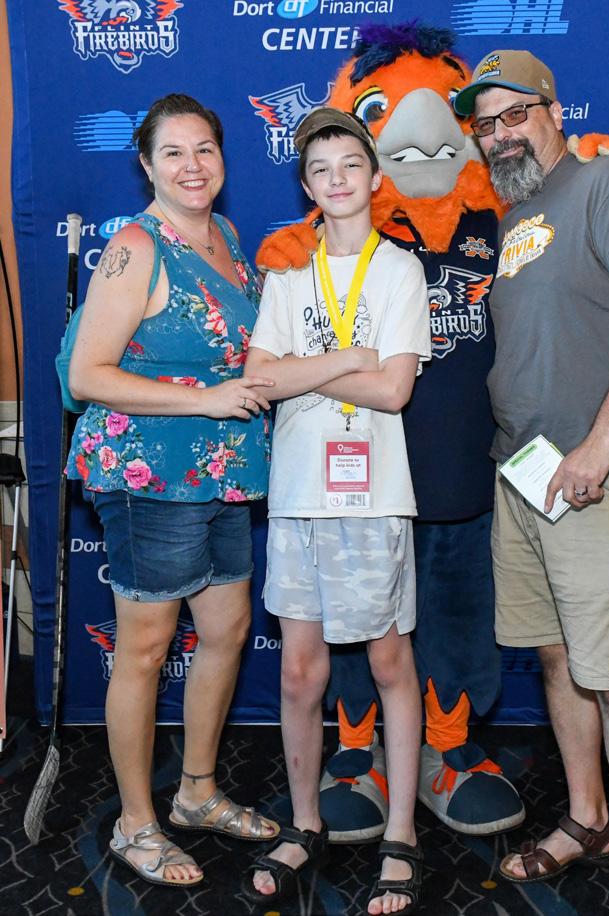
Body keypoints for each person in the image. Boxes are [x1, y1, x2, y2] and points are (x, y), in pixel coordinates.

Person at [66, 93, 280, 888]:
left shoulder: (226, 236)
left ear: (223, 158)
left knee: (226, 627)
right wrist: (204, 400)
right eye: (174, 153)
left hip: (223, 470)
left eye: (205, 150)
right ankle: (135, 823)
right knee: (148, 648)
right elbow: (89, 375)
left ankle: (195, 792)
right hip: (148, 473)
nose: (193, 166)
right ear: (147, 165)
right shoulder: (135, 246)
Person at [241, 108, 431, 915]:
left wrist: (307, 366)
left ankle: (402, 834)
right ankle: (305, 823)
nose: (338, 179)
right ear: (307, 187)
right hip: (298, 493)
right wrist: (350, 354)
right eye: (320, 169)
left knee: (389, 662)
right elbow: (258, 378)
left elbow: (393, 390)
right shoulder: (288, 274)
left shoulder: (400, 271)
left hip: (374, 493)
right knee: (298, 670)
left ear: (375, 175)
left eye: (350, 163)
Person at [454, 51, 609, 911]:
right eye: (484, 124)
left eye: (514, 114)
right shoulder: (517, 213)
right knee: (561, 660)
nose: (499, 134)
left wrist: (600, 442)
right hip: (523, 479)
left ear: (555, 111)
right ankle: (590, 820)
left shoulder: (605, 185)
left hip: (597, 480)